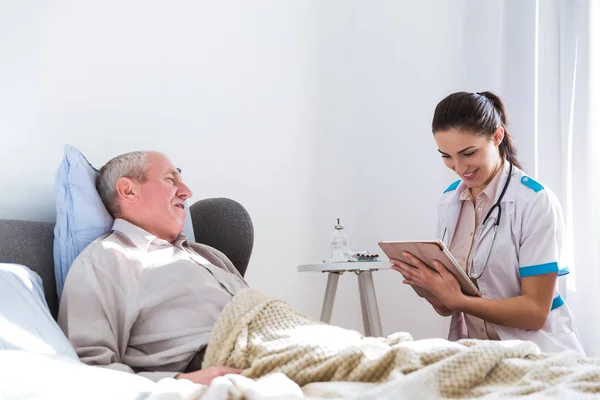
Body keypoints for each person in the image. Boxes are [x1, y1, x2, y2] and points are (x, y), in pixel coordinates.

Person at [390, 91, 584, 354]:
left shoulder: (534, 201)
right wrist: (429, 286)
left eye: (468, 153)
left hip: (539, 353)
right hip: (476, 353)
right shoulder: (449, 200)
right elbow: (447, 307)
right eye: (446, 156)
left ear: (497, 136)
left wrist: (458, 300)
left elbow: (535, 312)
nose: (459, 168)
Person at [58, 151, 244, 384]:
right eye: (170, 179)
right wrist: (183, 381)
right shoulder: (106, 260)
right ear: (128, 190)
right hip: (222, 366)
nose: (187, 192)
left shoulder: (210, 255)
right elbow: (88, 367)